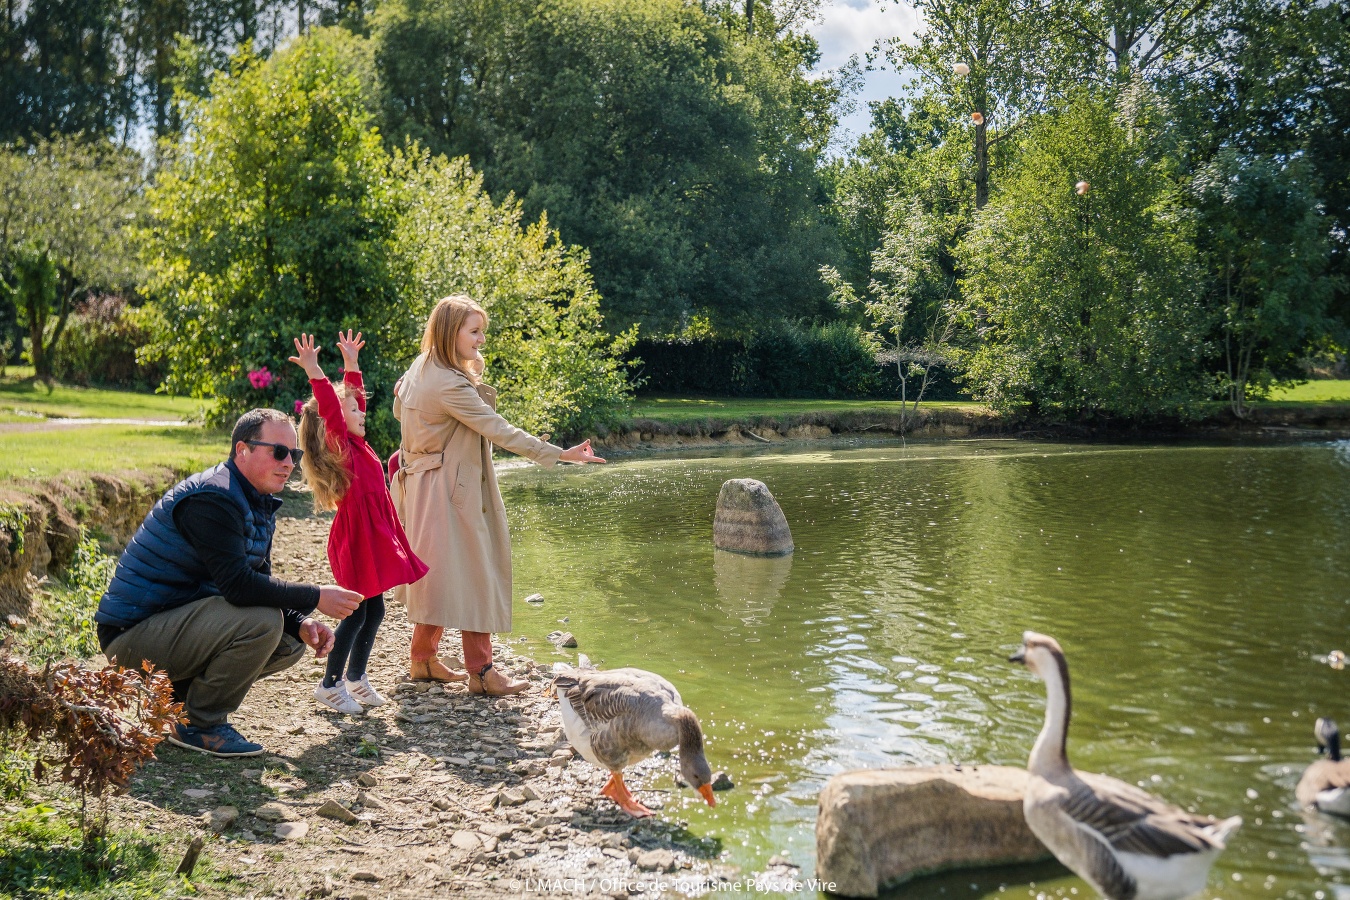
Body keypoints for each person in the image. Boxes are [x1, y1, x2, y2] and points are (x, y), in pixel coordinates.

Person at [95, 409, 364, 757]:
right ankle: (200, 725)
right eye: (278, 452)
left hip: (174, 627)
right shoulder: (214, 498)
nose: (289, 463)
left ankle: (178, 707)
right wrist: (315, 596)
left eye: (294, 455)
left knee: (289, 639)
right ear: (242, 450)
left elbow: (256, 584)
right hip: (131, 638)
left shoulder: (257, 499)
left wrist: (300, 622)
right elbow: (238, 586)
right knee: (265, 624)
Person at [391, 294, 605, 696]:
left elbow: (401, 410)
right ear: (449, 332)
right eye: (474, 332)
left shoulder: (422, 368)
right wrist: (561, 455)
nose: (481, 340)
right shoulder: (450, 384)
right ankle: (483, 673)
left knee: (442, 574)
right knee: (477, 573)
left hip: (425, 485)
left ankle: (422, 660)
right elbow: (500, 430)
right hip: (451, 489)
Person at [290, 329, 429, 714]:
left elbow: (354, 398)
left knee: (375, 610)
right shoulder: (343, 447)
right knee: (357, 613)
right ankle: (330, 685)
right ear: (335, 424)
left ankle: (355, 678)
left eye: (360, 408)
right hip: (357, 541)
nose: (361, 412)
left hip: (373, 537)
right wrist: (316, 372)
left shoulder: (361, 445)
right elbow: (333, 410)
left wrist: (352, 365)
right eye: (354, 411)